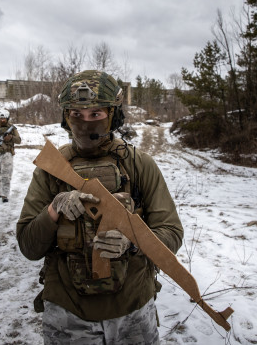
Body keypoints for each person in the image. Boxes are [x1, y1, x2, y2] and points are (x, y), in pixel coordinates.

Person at [16, 70, 183, 344]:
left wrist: (133, 240)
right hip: (68, 314)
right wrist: (54, 210)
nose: (85, 124)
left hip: (133, 309)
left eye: (96, 114)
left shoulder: (139, 164)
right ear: (66, 117)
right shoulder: (51, 169)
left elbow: (172, 233)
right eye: (76, 115)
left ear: (113, 115)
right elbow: (28, 246)